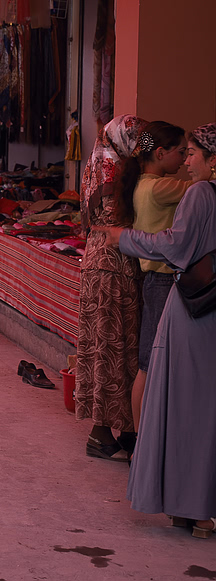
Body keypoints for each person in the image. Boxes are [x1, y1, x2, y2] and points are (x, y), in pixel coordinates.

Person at [98, 123, 216, 537]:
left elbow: (174, 246)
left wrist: (124, 238)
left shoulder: (198, 193)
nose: (186, 160)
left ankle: (191, 504)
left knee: (183, 404)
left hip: (192, 306)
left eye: (193, 153)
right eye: (182, 152)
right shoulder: (181, 189)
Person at [76, 114, 147, 462]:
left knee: (101, 347)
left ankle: (107, 431)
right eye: (140, 141)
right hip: (117, 264)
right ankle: (118, 430)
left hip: (95, 259)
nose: (144, 147)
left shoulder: (96, 164)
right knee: (117, 347)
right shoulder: (119, 173)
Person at [113, 121, 190, 432]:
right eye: (183, 152)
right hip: (162, 281)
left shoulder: (143, 184)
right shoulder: (161, 188)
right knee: (150, 363)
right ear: (160, 153)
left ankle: (143, 440)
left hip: (156, 281)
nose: (186, 160)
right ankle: (143, 439)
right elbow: (202, 187)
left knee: (150, 362)